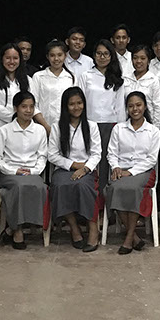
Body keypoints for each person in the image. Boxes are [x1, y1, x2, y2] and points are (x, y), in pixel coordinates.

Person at [0, 91, 48, 250]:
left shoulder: (40, 130)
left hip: (32, 172)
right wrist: (13, 171)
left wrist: (34, 171)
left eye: (31, 107)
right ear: (16, 108)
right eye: (24, 107)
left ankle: (11, 228)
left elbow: (42, 156)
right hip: (8, 173)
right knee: (19, 186)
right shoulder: (5, 130)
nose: (28, 111)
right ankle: (17, 230)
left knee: (40, 187)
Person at [48, 87, 102, 252]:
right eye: (72, 104)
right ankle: (74, 228)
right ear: (65, 106)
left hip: (87, 169)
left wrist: (85, 169)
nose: (76, 107)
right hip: (64, 169)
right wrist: (73, 165)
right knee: (60, 186)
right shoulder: (57, 127)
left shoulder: (91, 126)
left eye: (79, 103)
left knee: (83, 186)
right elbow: (52, 155)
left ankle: (93, 229)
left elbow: (96, 153)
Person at [105, 92, 160, 254]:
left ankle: (129, 238)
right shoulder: (119, 129)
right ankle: (135, 236)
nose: (135, 109)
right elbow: (111, 153)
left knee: (134, 189)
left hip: (143, 171)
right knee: (114, 188)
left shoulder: (153, 131)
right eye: (131, 106)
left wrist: (130, 172)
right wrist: (116, 167)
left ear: (145, 106)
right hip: (120, 170)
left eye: (138, 105)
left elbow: (151, 159)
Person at [77, 39, 126, 191]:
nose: (102, 57)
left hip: (110, 125)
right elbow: (79, 101)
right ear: (94, 55)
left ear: (111, 56)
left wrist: (121, 129)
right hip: (89, 123)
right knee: (90, 159)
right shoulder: (86, 75)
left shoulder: (117, 78)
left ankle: (104, 196)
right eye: (99, 53)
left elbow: (120, 107)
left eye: (106, 54)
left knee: (106, 161)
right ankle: (89, 194)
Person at [0, 43, 33, 196]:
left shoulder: (27, 80)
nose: (11, 62)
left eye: (15, 58)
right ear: (2, 59)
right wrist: (15, 116)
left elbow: (32, 103)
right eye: (8, 58)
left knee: (18, 163)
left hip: (22, 130)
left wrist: (21, 117)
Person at [30, 40, 77, 135]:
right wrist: (46, 127)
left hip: (66, 127)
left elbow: (74, 104)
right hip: (42, 128)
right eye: (52, 55)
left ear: (65, 56)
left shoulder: (71, 77)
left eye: (60, 55)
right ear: (47, 56)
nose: (56, 59)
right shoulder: (38, 76)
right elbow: (33, 104)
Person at [123, 44, 160, 128]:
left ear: (149, 61)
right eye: (135, 58)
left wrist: (155, 129)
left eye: (142, 58)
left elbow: (157, 108)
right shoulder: (125, 79)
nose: (138, 61)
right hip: (127, 124)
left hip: (148, 125)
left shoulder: (154, 80)